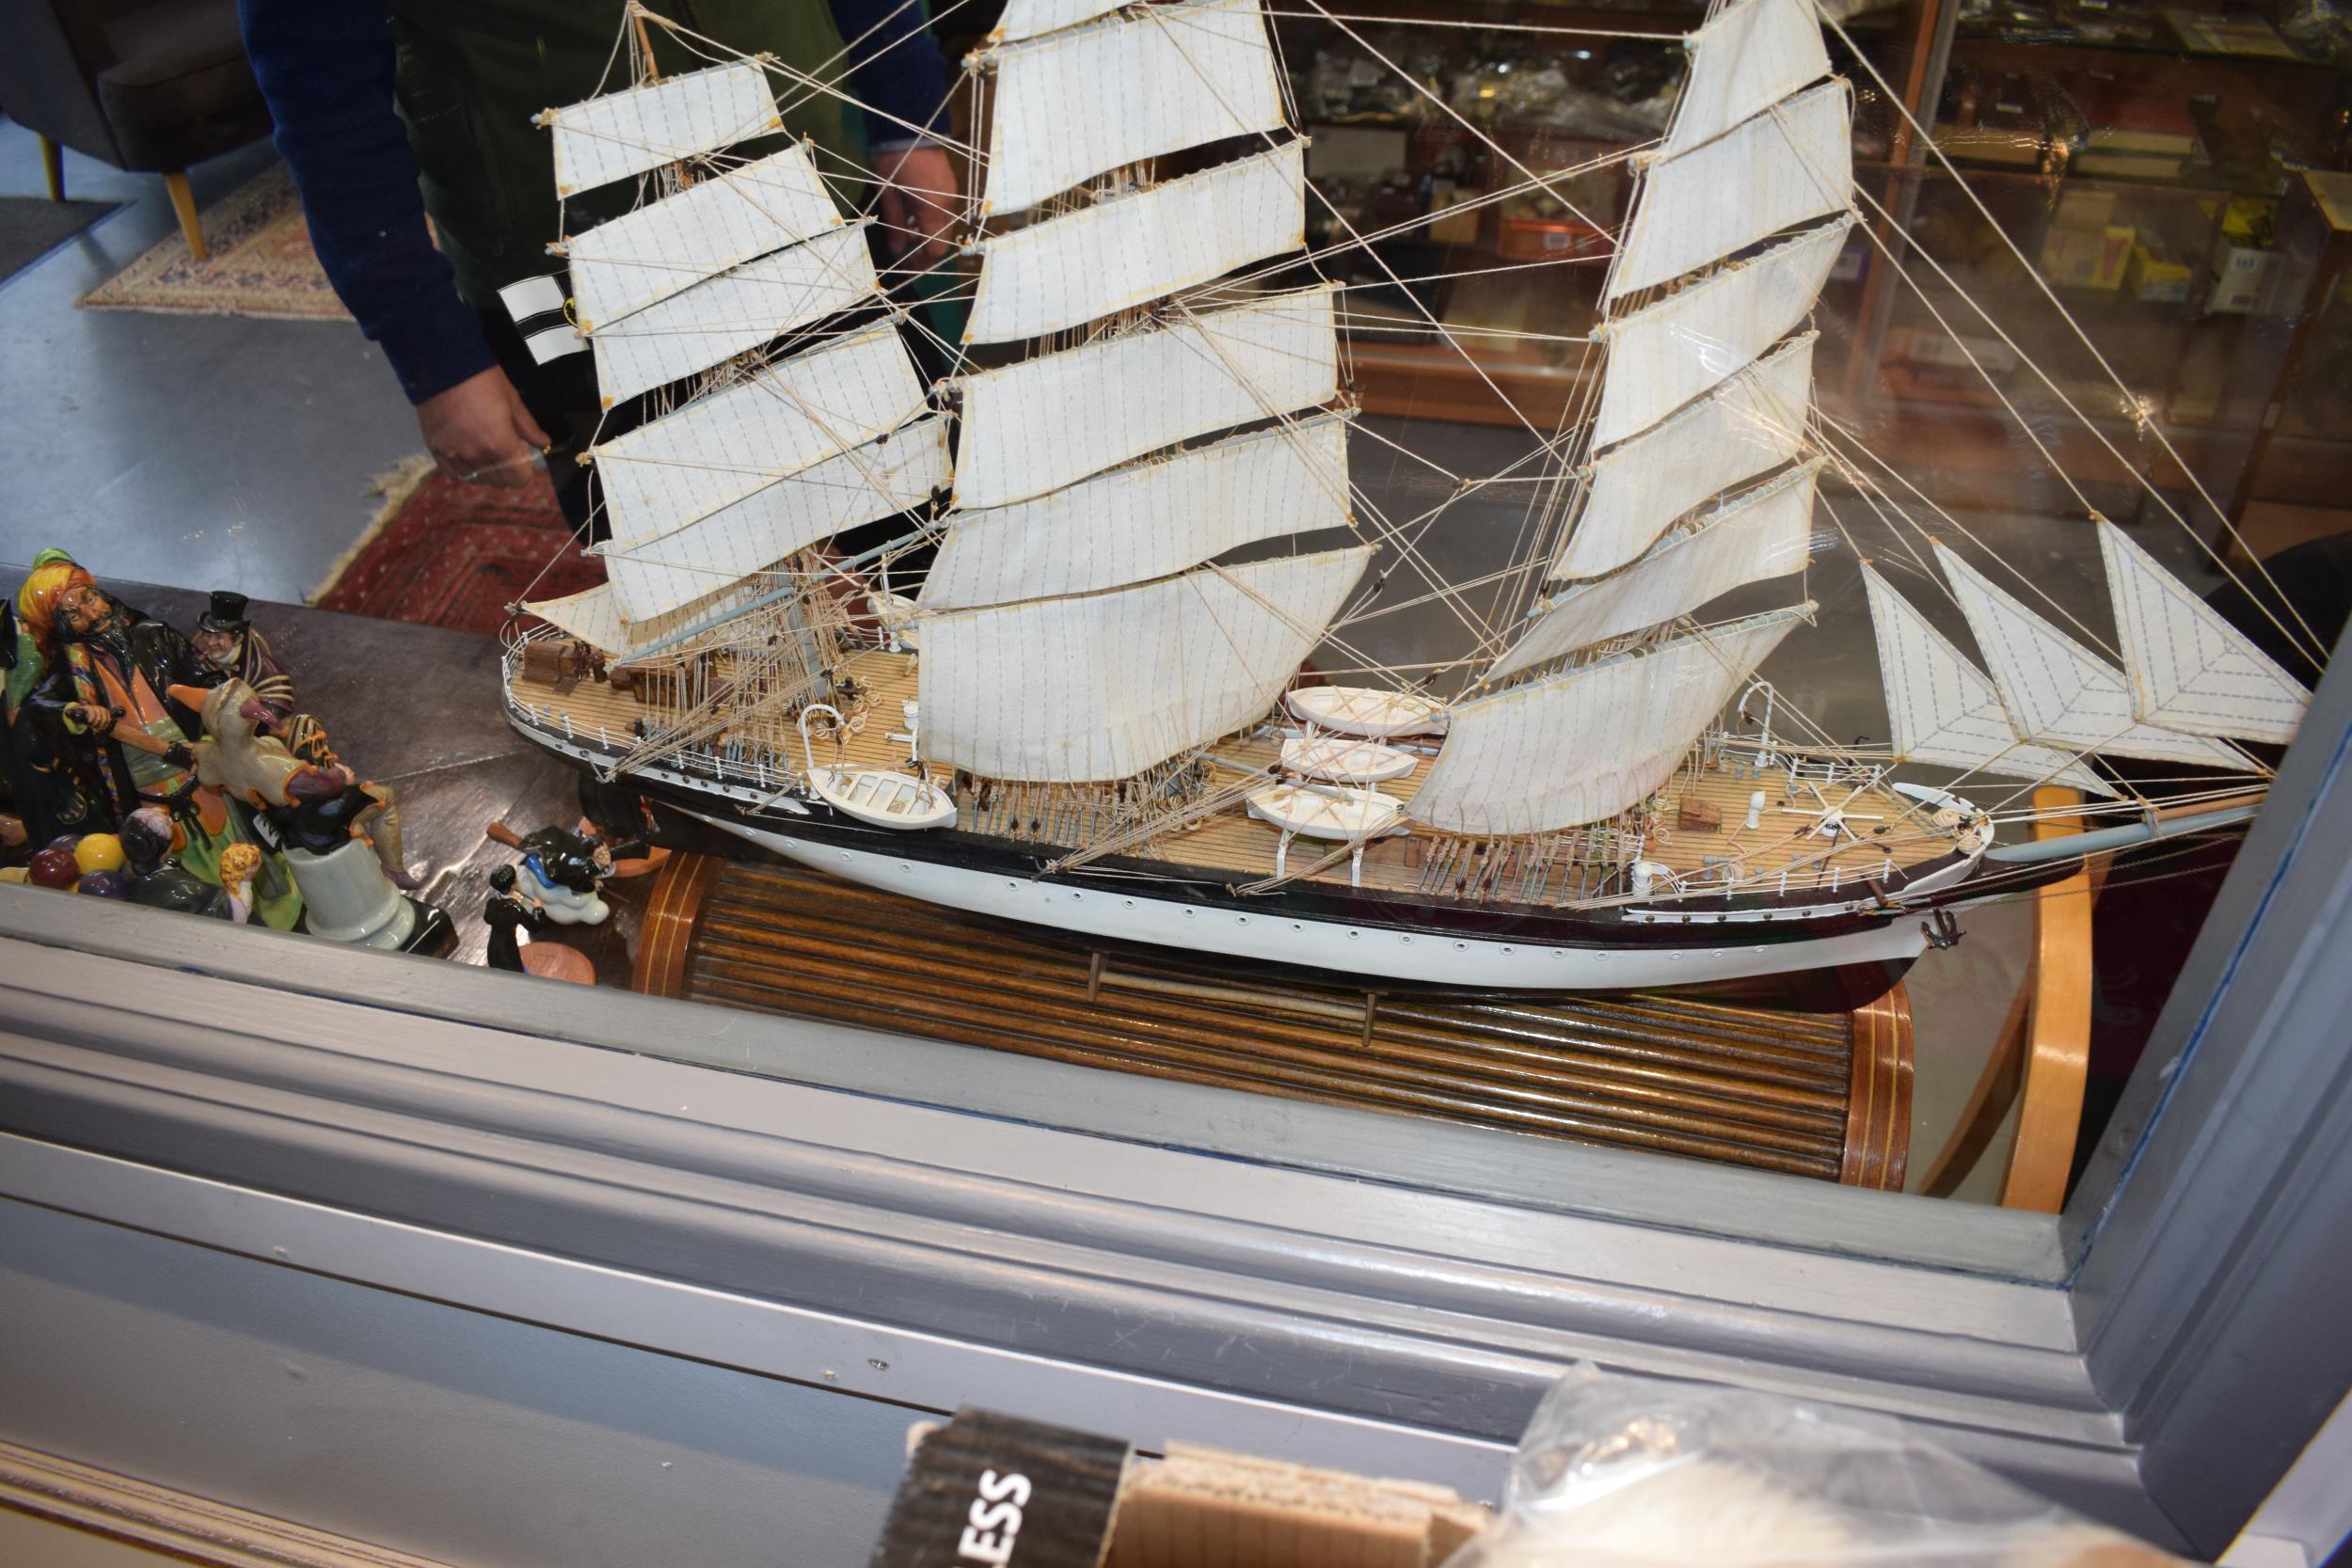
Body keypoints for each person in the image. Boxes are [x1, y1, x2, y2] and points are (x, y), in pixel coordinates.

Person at [239, 0, 958, 534]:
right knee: (678, 585)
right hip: (564, 271)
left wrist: (907, 113)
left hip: (808, 190)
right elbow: (323, 103)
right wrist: (433, 354)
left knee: (918, 523)